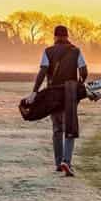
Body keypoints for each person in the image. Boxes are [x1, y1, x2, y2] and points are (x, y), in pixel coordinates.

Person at [34, 24, 88, 176]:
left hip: (52, 93)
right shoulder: (76, 51)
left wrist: (35, 91)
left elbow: (43, 71)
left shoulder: (48, 51)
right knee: (70, 128)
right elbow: (84, 71)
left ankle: (58, 163)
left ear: (55, 36)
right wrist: (80, 83)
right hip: (70, 92)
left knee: (57, 128)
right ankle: (67, 161)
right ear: (67, 36)